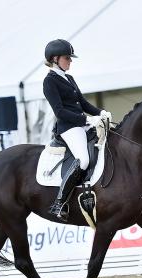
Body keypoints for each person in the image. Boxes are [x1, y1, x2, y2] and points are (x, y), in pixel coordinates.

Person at [42, 39, 112, 221]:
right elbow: (60, 111)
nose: (70, 61)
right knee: (83, 160)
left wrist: (101, 113)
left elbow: (82, 102)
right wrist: (87, 119)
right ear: (55, 59)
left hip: (82, 123)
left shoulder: (69, 78)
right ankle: (60, 203)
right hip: (69, 127)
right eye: (67, 58)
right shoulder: (49, 81)